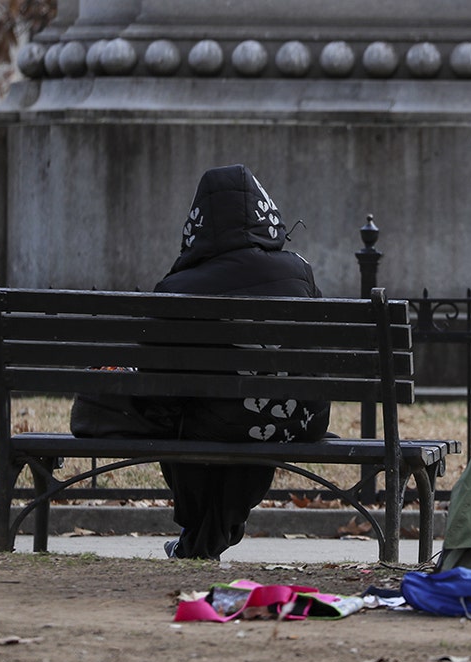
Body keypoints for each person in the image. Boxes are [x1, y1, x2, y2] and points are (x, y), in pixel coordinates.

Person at [72, 164, 330, 560]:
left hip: (218, 422)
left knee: (189, 419)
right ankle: (208, 534)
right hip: (299, 420)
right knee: (238, 416)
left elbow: (159, 384)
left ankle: (200, 534)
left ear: (200, 224)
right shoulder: (300, 272)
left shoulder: (179, 288)